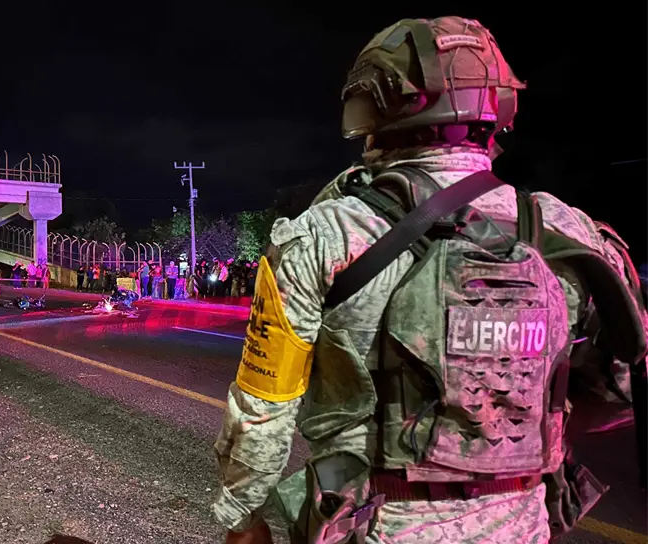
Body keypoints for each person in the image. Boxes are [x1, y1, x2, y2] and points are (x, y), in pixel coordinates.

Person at [212, 16, 648, 544]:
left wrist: (243, 517)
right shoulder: (566, 232)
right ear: (498, 108)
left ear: (372, 112)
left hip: (375, 526)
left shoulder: (324, 236)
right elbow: (622, 382)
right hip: (524, 523)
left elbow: (264, 410)